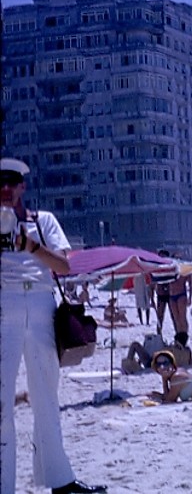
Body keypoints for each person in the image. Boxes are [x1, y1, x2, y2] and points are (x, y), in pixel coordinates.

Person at [0, 158, 108, 494]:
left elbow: (63, 265)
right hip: (5, 304)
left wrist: (30, 246)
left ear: (23, 187)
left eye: (11, 182)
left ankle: (60, 480)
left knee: (46, 396)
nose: (5, 189)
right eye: (0, 183)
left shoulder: (43, 221)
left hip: (42, 303)